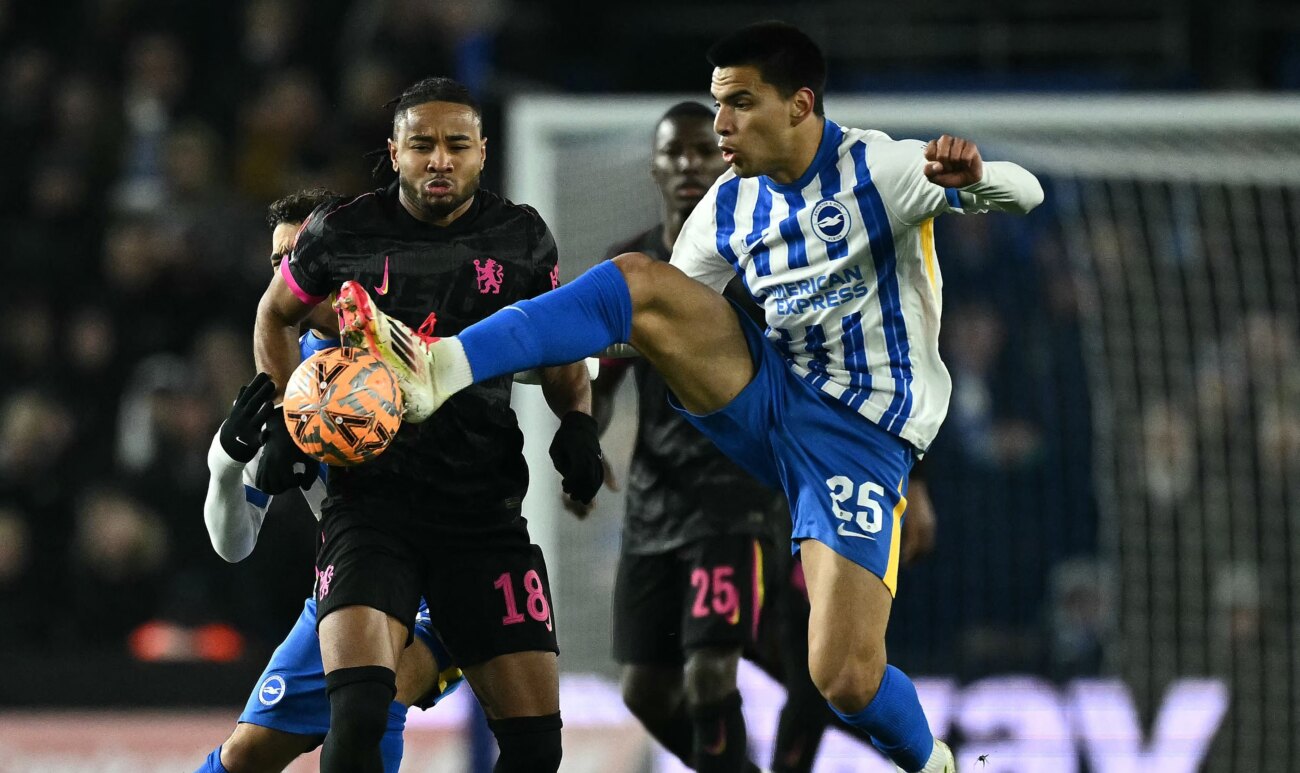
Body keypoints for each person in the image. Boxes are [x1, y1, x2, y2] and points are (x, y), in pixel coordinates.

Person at [341, 22, 1043, 773]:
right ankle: (439, 365)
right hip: (766, 398)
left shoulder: (884, 169)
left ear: (800, 105)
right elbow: (645, 327)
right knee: (641, 280)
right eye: (718, 105)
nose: (722, 127)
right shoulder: (726, 208)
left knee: (844, 676)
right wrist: (509, 357)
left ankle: (933, 763)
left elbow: (1025, 192)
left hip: (861, 440)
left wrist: (975, 180)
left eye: (741, 104)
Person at [253, 77, 603, 773]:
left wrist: (579, 422)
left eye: (455, 145)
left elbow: (561, 345)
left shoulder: (523, 238)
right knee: (353, 719)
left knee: (537, 747)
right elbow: (274, 313)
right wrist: (280, 415)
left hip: (484, 513)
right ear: (394, 152)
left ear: (481, 152)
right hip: (373, 508)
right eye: (422, 145)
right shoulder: (341, 231)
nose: (438, 160)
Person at [595, 102, 938, 773]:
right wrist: (582, 433)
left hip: (758, 497)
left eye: (705, 150)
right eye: (676, 153)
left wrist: (916, 477)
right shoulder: (629, 266)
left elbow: (865, 359)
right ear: (655, 167)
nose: (691, 165)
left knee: (726, 672)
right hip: (658, 502)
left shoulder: (771, 261)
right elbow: (598, 375)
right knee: (646, 690)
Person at [195, 189, 463, 773]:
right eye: (277, 262)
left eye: (301, 254)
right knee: (245, 757)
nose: (288, 273)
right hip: (350, 579)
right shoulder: (292, 384)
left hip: (449, 577)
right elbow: (233, 546)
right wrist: (225, 463)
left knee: (373, 694)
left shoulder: (419, 335)